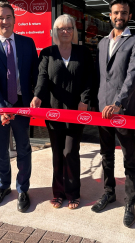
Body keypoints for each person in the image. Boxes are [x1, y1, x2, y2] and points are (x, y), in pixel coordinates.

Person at [0, 2, 39, 212]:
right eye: (0, 18)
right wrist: (3, 108)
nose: (5, 21)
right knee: (1, 151)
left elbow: (36, 74)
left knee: (24, 149)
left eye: (8, 17)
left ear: (14, 19)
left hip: (22, 106)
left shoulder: (27, 43)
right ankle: (4, 186)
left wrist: (37, 95)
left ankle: (23, 189)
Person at [91, 0, 135, 227]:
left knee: (128, 158)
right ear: (109, 15)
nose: (119, 17)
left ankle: (130, 202)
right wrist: (98, 102)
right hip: (103, 111)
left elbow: (132, 77)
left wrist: (118, 103)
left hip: (123, 111)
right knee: (106, 156)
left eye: (123, 13)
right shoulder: (102, 43)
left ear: (129, 16)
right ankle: (109, 192)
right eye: (115, 13)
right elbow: (102, 78)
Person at [30, 14, 94, 210]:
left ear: (74, 31)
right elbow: (42, 77)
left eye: (69, 28)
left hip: (75, 111)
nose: (65, 31)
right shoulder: (47, 53)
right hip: (53, 112)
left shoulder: (83, 52)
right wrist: (37, 96)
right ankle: (58, 193)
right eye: (61, 29)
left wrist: (85, 100)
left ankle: (73, 192)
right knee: (58, 153)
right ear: (55, 32)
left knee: (71, 152)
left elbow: (90, 78)